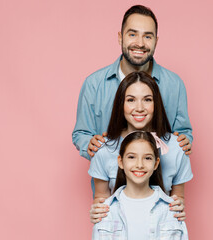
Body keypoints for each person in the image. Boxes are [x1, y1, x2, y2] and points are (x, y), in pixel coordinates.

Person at [72, 5, 193, 160]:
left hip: (161, 180)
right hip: (109, 181)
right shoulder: (94, 84)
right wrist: (90, 144)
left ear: (156, 41)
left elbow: (183, 133)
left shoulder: (175, 85)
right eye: (132, 34)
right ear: (120, 37)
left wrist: (185, 141)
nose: (140, 43)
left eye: (148, 36)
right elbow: (81, 134)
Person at [88, 71, 193, 223]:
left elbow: (178, 198)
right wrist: (97, 213)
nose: (139, 108)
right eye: (131, 100)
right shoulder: (104, 148)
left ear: (156, 103)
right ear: (121, 104)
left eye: (147, 100)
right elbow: (101, 199)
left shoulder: (177, 147)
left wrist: (178, 209)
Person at [92, 131, 188, 240]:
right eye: (131, 157)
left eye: (147, 158)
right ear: (120, 161)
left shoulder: (171, 209)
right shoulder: (106, 210)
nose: (139, 165)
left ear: (156, 164)